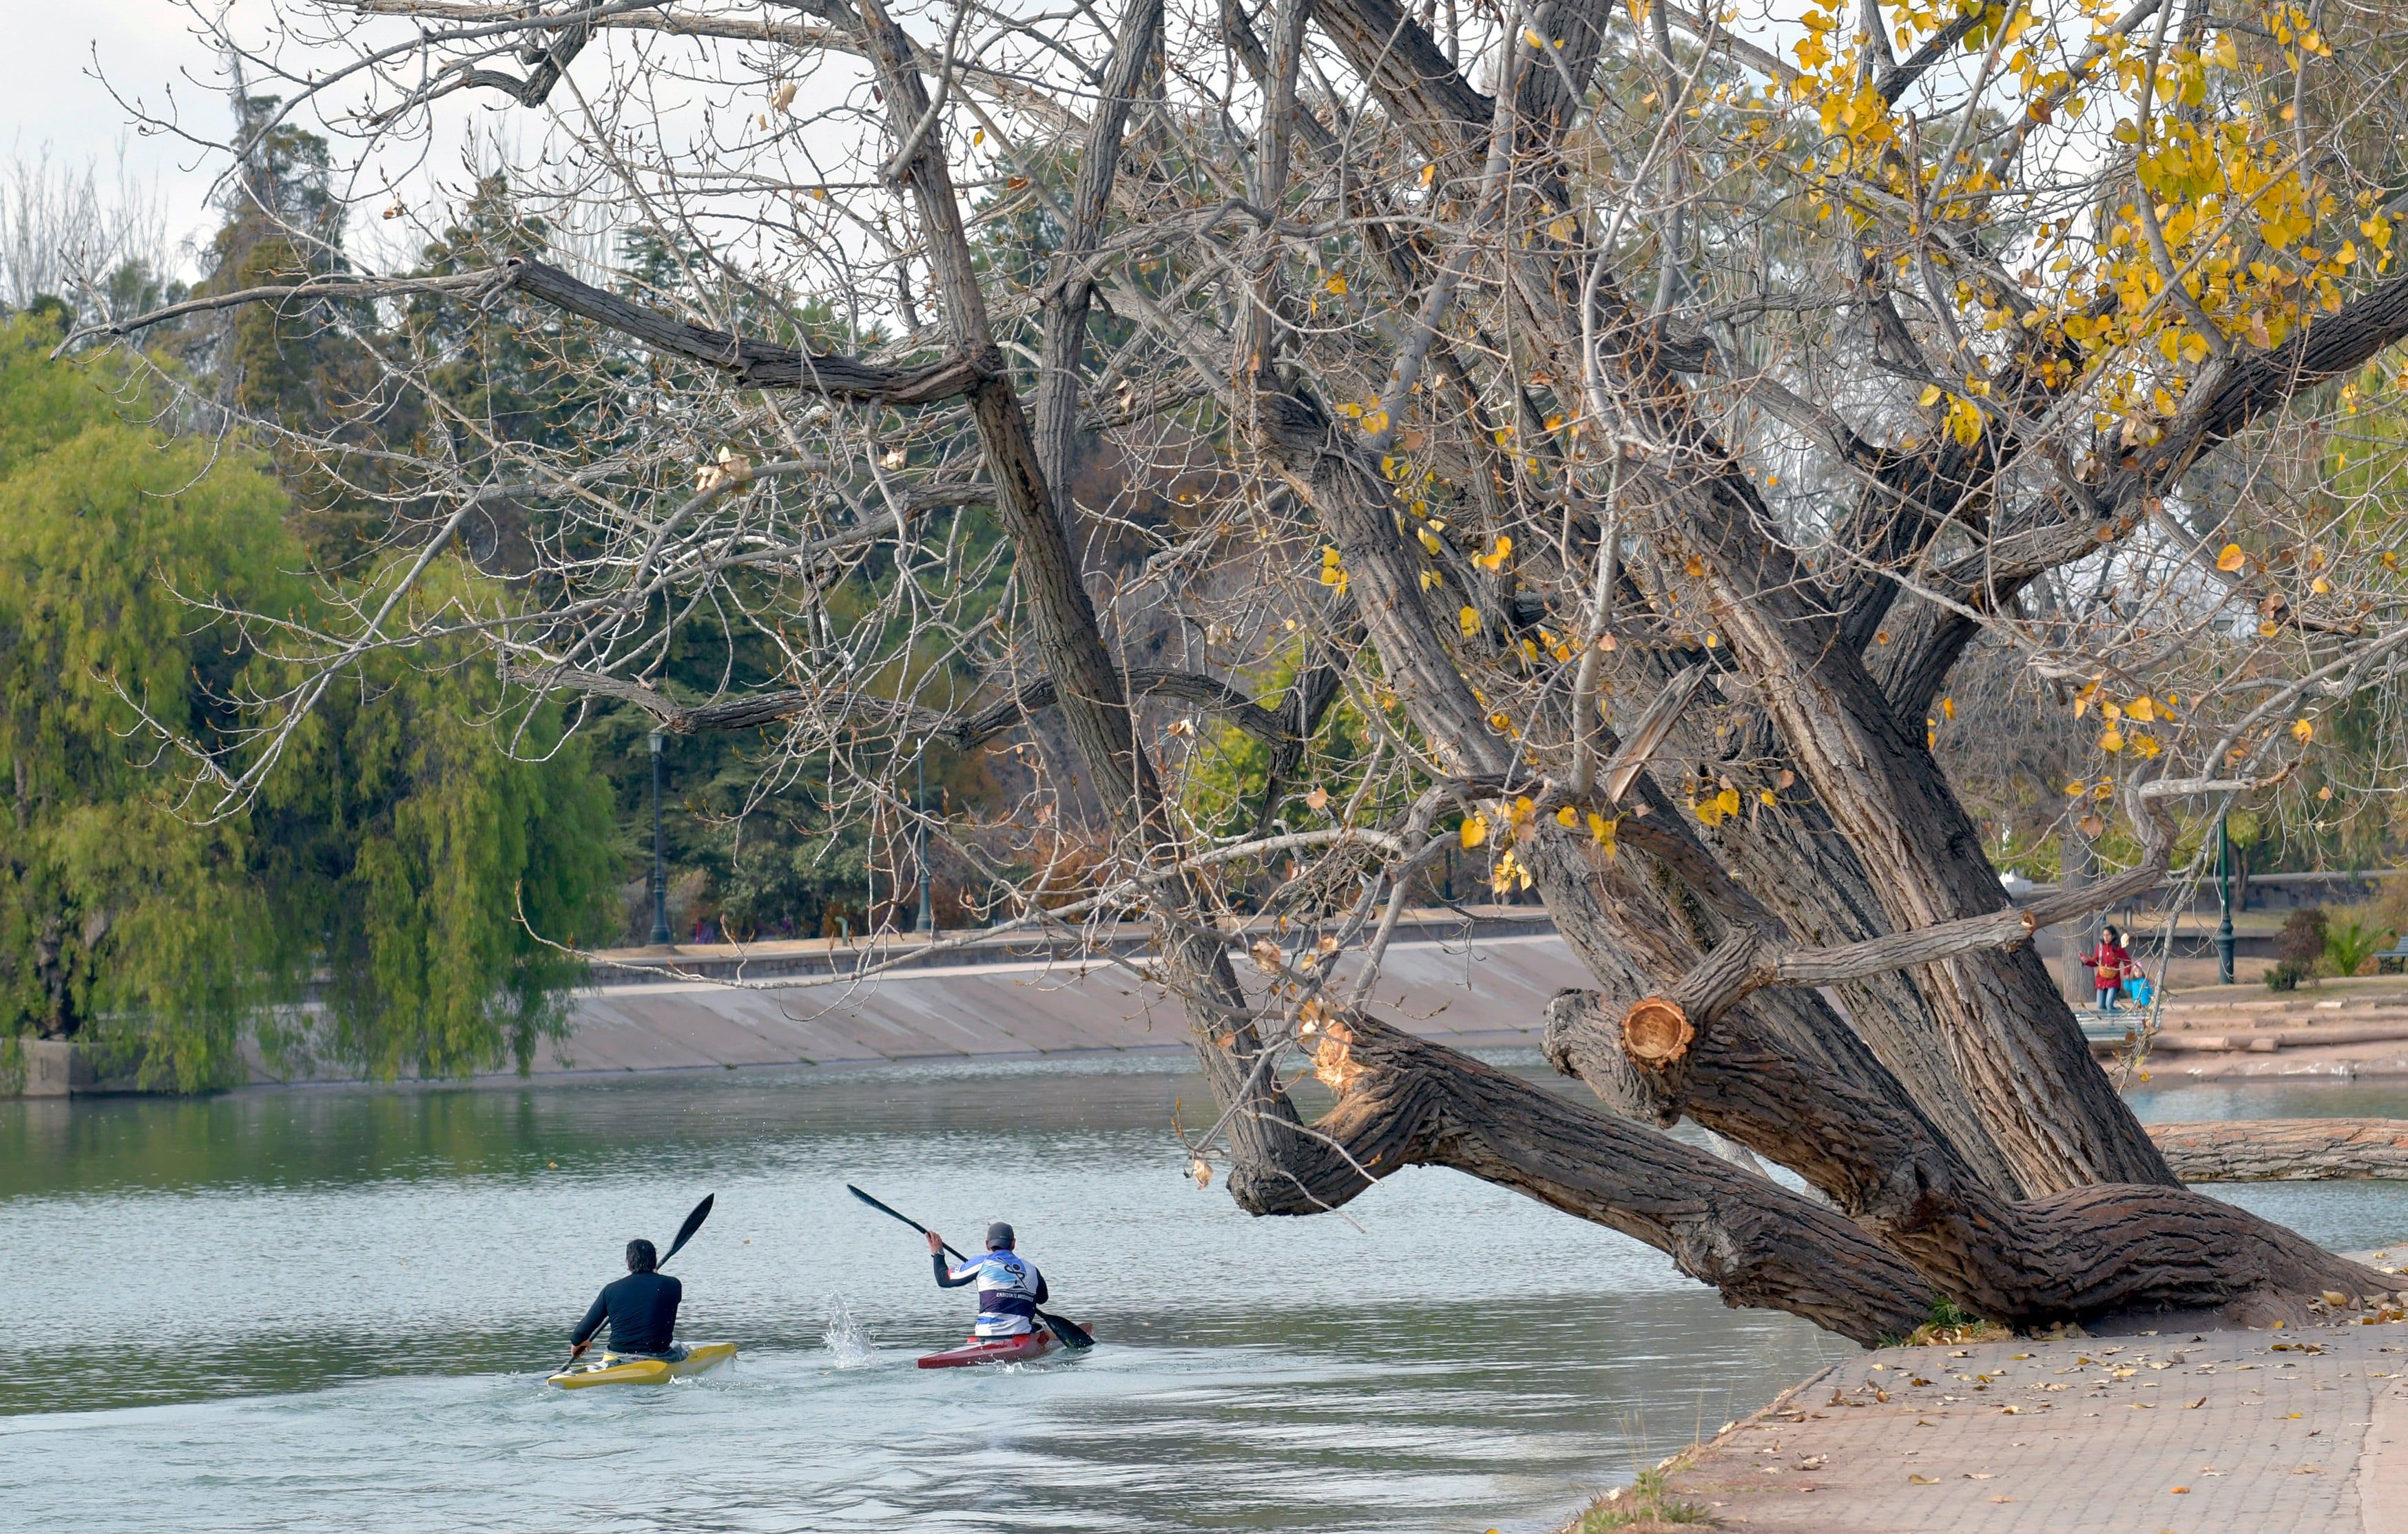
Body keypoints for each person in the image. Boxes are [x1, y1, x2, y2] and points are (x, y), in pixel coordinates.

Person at [569, 1238, 683, 1360]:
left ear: (628, 1263)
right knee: (680, 1347)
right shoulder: (673, 1285)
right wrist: (655, 1276)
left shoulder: (611, 1290)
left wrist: (578, 1343)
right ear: (654, 1261)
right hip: (658, 1355)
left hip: (616, 1356)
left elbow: (579, 1334)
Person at [928, 1222, 1047, 1338]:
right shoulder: (1032, 1270)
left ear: (987, 1245)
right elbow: (1043, 1299)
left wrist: (938, 1253)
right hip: (1022, 1333)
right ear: (1014, 1243)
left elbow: (943, 1279)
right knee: (1045, 1332)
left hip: (987, 1335)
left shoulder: (981, 1263)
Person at [2081, 924, 2132, 1013]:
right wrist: (2086, 961)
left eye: (2108, 935)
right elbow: (2095, 962)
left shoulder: (2118, 948)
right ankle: (2108, 1020)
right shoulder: (2100, 948)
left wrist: (2126, 973)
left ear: (2112, 936)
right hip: (2101, 979)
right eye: (2104, 935)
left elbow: (2127, 962)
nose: (2106, 937)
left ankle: (2118, 1016)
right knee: (2101, 1005)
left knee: (2109, 1004)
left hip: (2113, 980)